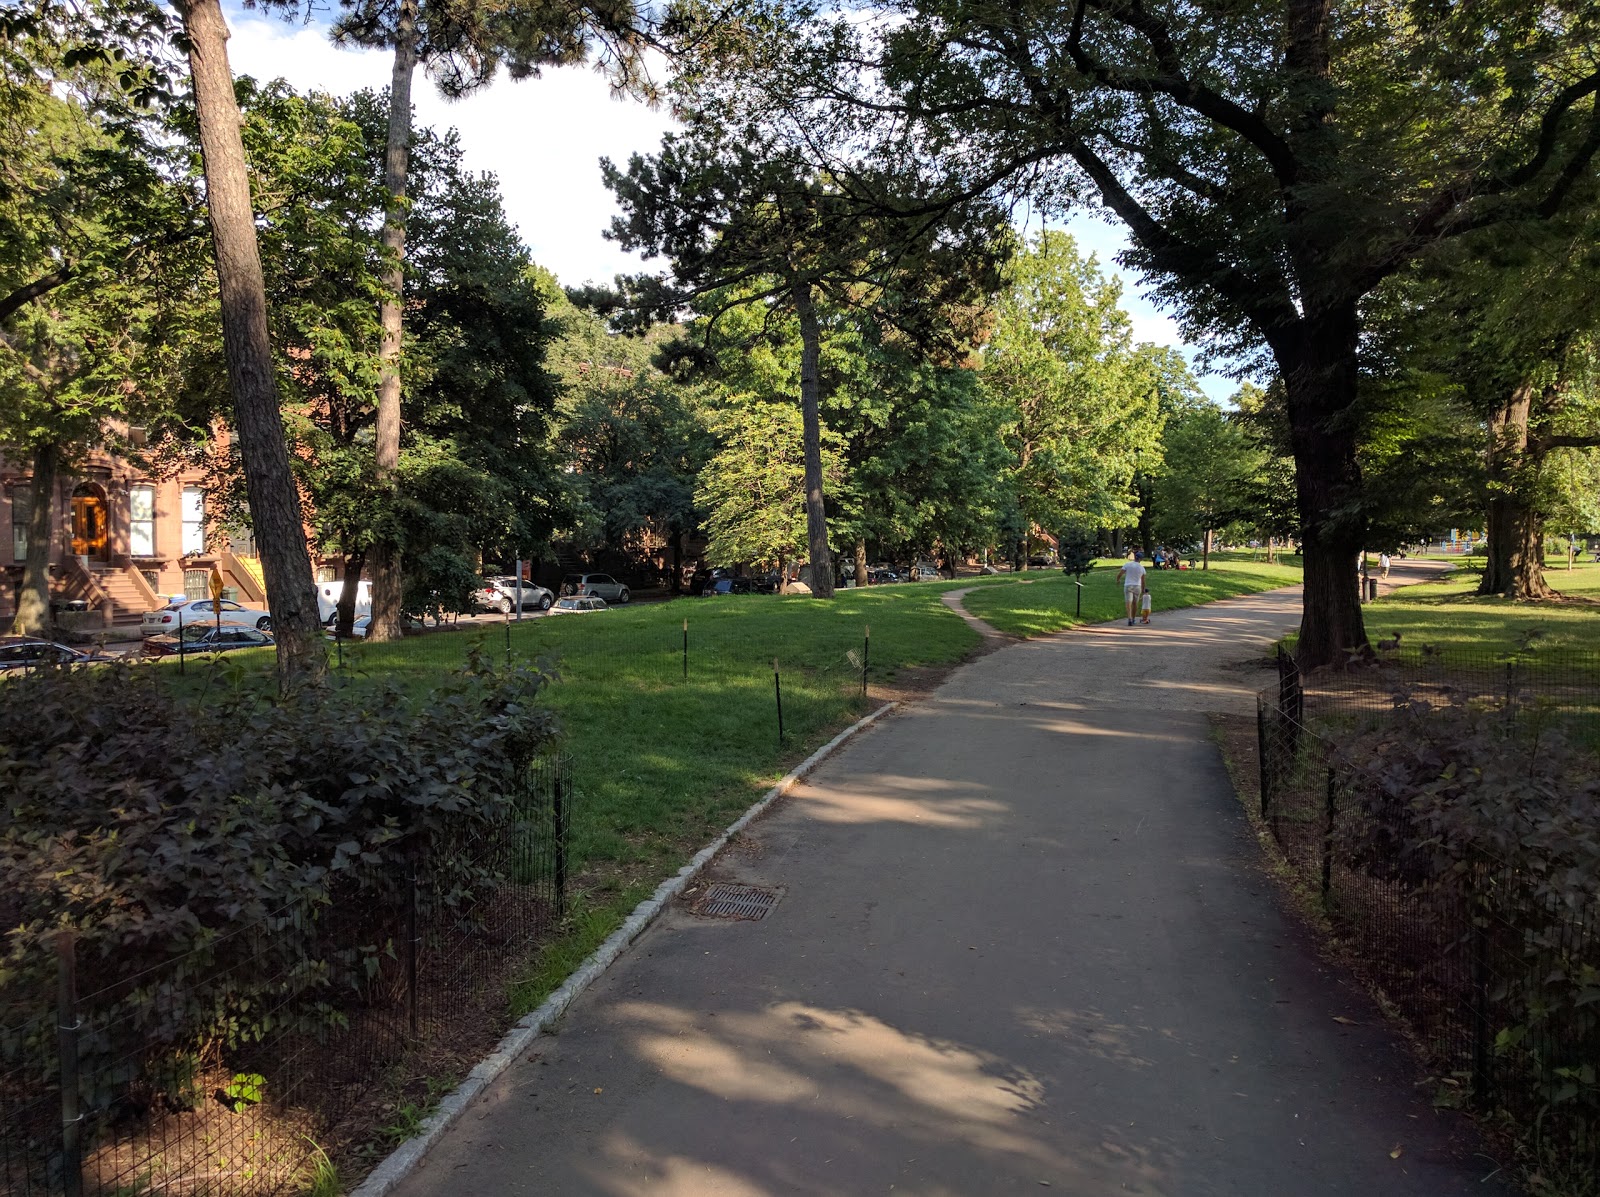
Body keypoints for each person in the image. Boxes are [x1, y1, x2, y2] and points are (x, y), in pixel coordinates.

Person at [1116, 552, 1147, 626]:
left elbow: (1120, 574)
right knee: (1135, 603)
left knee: (1128, 602)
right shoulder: (1141, 567)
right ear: (1141, 559)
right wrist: (1143, 589)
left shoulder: (1127, 564)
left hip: (1128, 585)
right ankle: (1133, 619)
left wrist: (1118, 580)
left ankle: (1129, 618)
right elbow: (1143, 580)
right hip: (1137, 586)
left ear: (1135, 557)